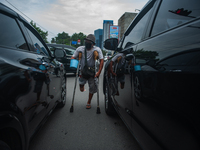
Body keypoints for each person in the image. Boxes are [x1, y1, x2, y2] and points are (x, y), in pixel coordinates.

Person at [71, 34, 104, 109]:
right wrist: (74, 62)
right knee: (81, 86)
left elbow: (101, 60)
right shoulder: (80, 49)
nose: (87, 42)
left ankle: (89, 101)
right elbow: (73, 57)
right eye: (86, 40)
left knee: (92, 87)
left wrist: (99, 72)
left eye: (89, 41)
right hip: (83, 71)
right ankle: (82, 85)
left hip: (92, 72)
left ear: (93, 43)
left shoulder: (97, 50)